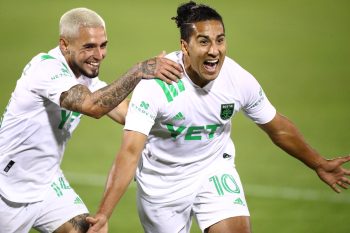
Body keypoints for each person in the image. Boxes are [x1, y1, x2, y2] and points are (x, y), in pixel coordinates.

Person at [87, 2, 350, 233]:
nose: (215, 50)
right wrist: (103, 214)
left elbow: (277, 127)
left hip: (213, 170)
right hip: (162, 185)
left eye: (220, 40)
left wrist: (318, 163)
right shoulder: (157, 84)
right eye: (204, 42)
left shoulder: (237, 80)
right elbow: (130, 151)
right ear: (185, 46)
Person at [0, 7, 183, 233]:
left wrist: (178, 123)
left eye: (103, 45)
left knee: (93, 230)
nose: (98, 55)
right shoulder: (46, 69)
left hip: (47, 183)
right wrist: (140, 70)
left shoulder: (83, 76)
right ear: (64, 44)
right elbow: (93, 106)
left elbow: (128, 114)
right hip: (8, 188)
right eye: (89, 47)